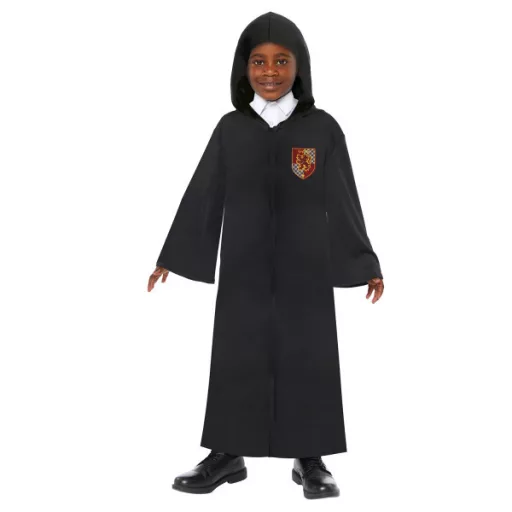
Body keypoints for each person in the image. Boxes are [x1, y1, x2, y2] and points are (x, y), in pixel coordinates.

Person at [147, 11, 384, 500]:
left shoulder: (322, 129)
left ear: (300, 66)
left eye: (281, 61)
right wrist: (172, 254)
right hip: (244, 265)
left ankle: (310, 457)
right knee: (237, 354)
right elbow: (205, 191)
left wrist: (364, 262)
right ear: (243, 67)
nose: (270, 71)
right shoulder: (231, 128)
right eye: (258, 61)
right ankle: (227, 453)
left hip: (306, 267)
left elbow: (343, 197)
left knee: (308, 355)